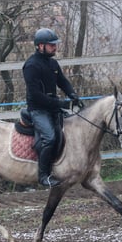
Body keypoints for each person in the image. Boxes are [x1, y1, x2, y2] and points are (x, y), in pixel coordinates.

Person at [22, 28, 83, 187]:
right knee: (49, 137)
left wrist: (73, 95)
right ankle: (43, 176)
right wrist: (60, 103)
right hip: (38, 109)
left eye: (55, 44)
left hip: (52, 107)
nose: (55, 47)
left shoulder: (53, 63)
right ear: (40, 46)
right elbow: (35, 95)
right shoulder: (31, 66)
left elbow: (62, 82)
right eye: (51, 45)